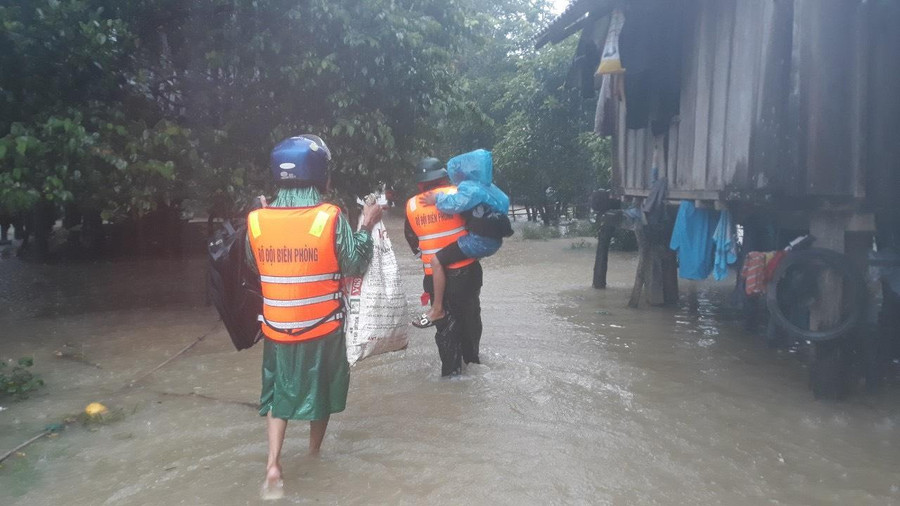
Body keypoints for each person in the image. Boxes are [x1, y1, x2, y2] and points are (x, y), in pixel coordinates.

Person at [246, 134, 382, 499]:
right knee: (319, 392)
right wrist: (366, 224)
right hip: (322, 328)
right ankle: (313, 454)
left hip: (275, 330)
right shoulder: (330, 216)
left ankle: (273, 463)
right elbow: (354, 263)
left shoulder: (256, 219)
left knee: (278, 395)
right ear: (323, 176)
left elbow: (251, 262)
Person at [404, 156, 492, 376]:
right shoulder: (459, 196)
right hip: (466, 274)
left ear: (420, 184)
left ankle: (451, 374)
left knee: (445, 326)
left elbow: (413, 241)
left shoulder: (412, 205)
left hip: (434, 278)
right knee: (470, 319)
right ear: (444, 178)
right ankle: (472, 361)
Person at [411, 149, 511, 328]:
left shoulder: (464, 190)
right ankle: (472, 356)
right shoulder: (487, 187)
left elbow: (454, 204)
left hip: (473, 245)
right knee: (471, 321)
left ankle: (436, 310)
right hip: (486, 249)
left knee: (436, 260)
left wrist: (437, 198)